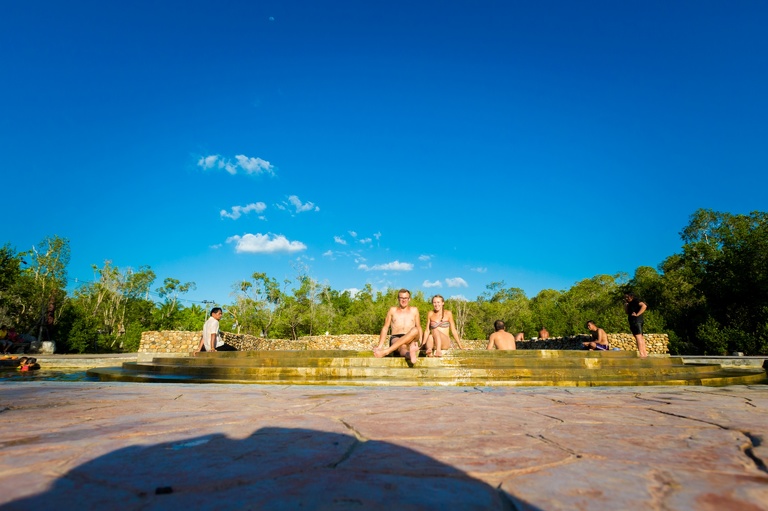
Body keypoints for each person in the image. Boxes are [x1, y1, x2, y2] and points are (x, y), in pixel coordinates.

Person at [374, 289, 422, 364]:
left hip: (411, 337)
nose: (404, 300)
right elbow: (385, 327)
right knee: (402, 346)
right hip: (396, 337)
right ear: (398, 299)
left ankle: (387, 351)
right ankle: (409, 355)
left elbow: (419, 327)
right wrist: (380, 346)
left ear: (409, 299)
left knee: (415, 330)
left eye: (406, 298)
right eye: (401, 298)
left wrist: (421, 344)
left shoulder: (414, 310)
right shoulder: (392, 310)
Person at [623, 293, 648, 357]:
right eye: (625, 297)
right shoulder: (630, 304)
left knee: (638, 337)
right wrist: (625, 305)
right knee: (640, 337)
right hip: (635, 321)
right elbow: (626, 312)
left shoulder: (635, 301)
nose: (626, 299)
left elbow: (644, 306)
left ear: (631, 297)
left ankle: (641, 353)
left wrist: (637, 314)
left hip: (636, 321)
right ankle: (644, 353)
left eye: (627, 297)